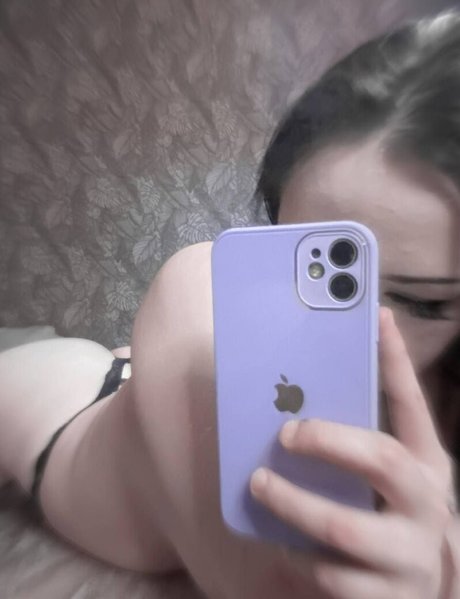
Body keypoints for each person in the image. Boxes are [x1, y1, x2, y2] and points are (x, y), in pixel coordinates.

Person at [1, 8, 460, 598]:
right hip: (62, 410)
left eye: (425, 304)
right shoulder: (198, 295)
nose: (354, 335)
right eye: (306, 272)